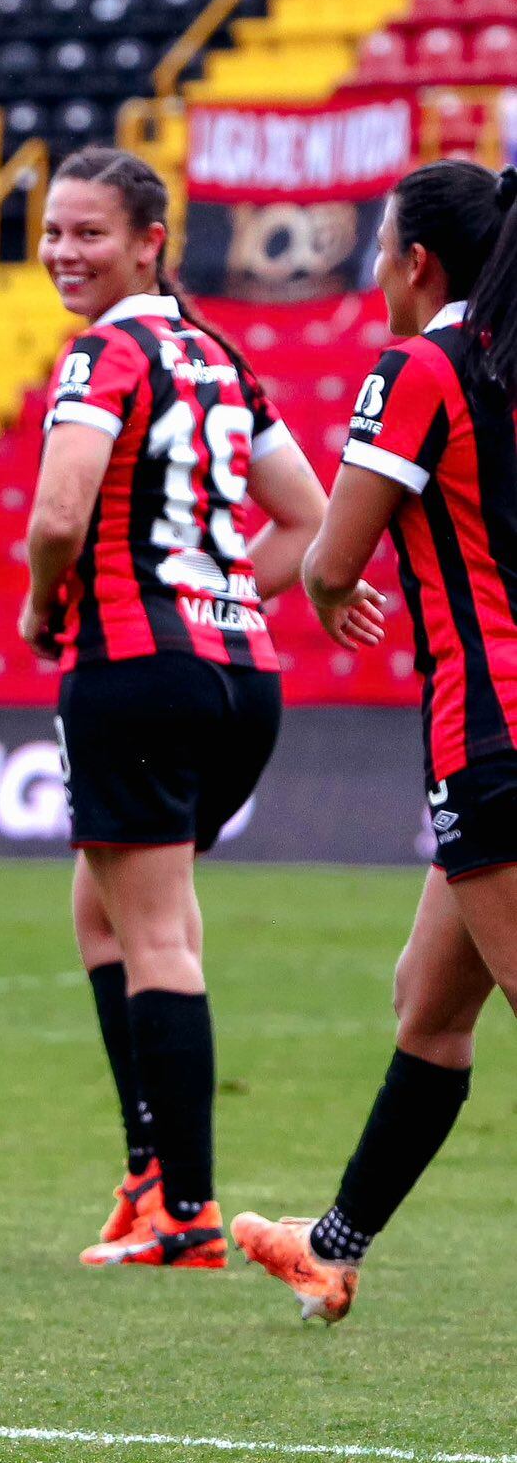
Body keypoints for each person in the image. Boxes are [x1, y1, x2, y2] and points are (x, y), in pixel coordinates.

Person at [20, 146, 326, 1272]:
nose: (64, 251)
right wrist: (223, 586)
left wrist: (43, 607)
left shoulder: (106, 352)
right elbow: (310, 516)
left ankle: (185, 1210)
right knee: (114, 911)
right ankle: (151, 1173)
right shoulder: (219, 356)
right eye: (54, 231)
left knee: (148, 930)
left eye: (89, 232)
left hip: (136, 669)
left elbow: (60, 514)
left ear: (153, 239)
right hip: (244, 678)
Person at [236, 159, 516, 1322]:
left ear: (417, 264)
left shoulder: (425, 367)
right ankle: (334, 1244)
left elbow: (329, 559)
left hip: (491, 730)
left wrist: (321, 587)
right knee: (430, 1002)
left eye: (382, 252)